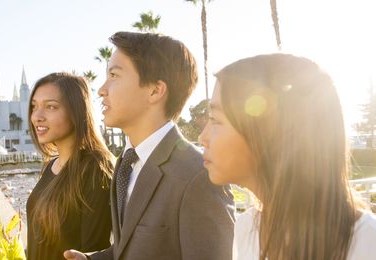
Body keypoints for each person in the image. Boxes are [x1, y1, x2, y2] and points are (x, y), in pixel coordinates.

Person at [64, 32, 235, 260]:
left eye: (114, 75)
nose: (102, 89)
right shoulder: (126, 163)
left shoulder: (198, 176)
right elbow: (127, 249)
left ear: (155, 90)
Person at [198, 53, 376, 260]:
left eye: (215, 119)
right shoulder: (247, 228)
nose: (203, 137)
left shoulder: (365, 242)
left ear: (268, 132)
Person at [26, 72, 115, 260]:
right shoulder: (52, 166)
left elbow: (94, 248)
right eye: (34, 107)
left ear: (76, 111)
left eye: (50, 107)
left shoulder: (94, 168)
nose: (37, 117)